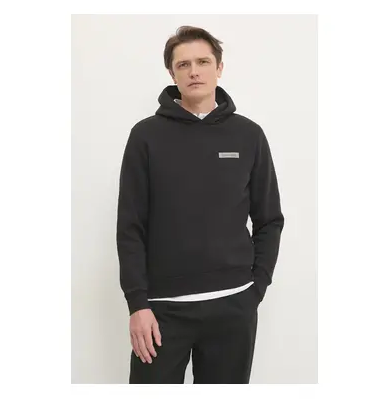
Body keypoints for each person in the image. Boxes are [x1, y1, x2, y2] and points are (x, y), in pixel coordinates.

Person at [116, 26, 284, 384]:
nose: (194, 71)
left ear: (219, 68)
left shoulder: (248, 135)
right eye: (184, 64)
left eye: (203, 62)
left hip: (233, 306)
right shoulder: (145, 136)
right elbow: (130, 226)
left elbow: (269, 219)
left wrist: (256, 287)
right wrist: (137, 304)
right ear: (172, 73)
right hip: (162, 311)